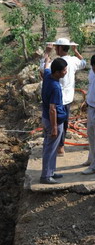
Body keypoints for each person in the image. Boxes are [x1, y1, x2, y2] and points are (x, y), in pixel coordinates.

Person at [41, 38, 86, 156]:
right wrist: (75, 51)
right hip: (68, 99)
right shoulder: (74, 61)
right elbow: (84, 63)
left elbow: (43, 70)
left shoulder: (55, 64)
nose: (55, 49)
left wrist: (46, 52)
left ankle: (55, 146)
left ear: (60, 48)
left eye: (56, 47)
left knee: (55, 123)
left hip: (57, 99)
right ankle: (61, 147)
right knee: (64, 122)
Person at [40, 55, 68, 184]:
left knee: (50, 146)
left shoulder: (47, 75)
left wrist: (47, 59)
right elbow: (53, 109)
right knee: (50, 148)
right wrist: (55, 127)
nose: (65, 72)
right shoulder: (55, 87)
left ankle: (50, 171)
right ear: (57, 72)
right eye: (64, 70)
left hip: (46, 118)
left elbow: (45, 68)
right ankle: (45, 176)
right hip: (53, 121)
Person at [82, 55, 95, 175]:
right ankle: (91, 159)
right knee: (90, 134)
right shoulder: (92, 72)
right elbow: (90, 87)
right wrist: (86, 100)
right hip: (91, 106)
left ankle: (94, 166)